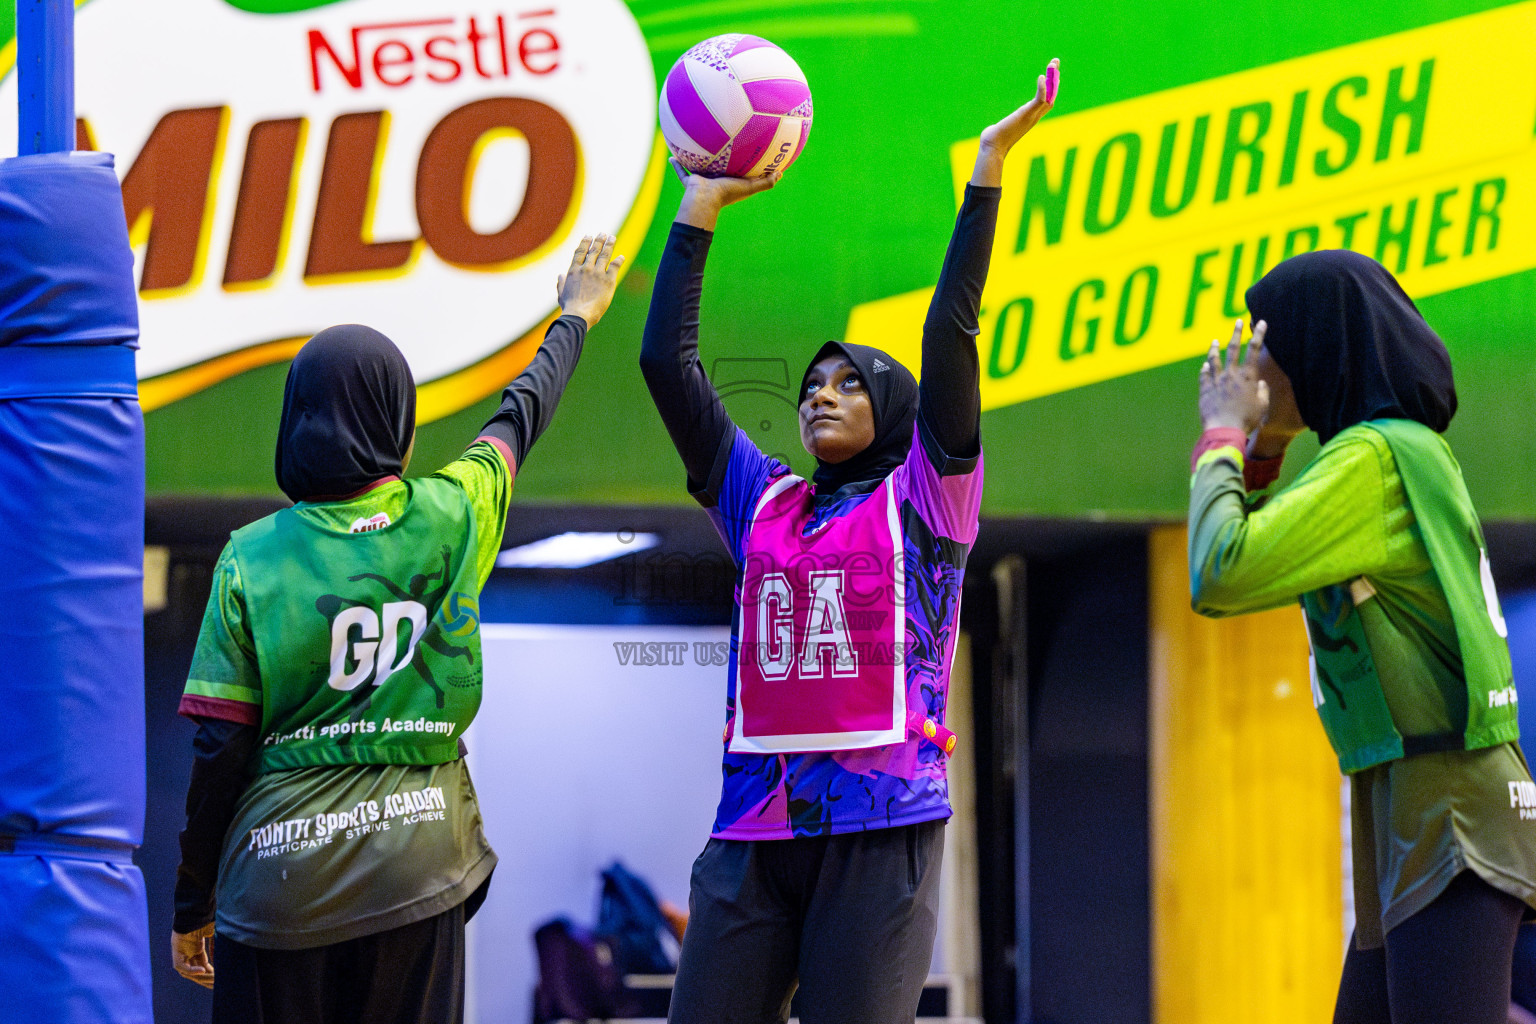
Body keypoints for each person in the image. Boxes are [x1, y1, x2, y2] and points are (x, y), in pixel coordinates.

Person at [639, 59, 1059, 1024]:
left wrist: (988, 169)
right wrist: (700, 205)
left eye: (850, 382)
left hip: (883, 827)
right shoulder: (763, 501)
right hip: (754, 825)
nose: (820, 393)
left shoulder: (928, 503)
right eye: (812, 384)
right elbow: (668, 362)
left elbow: (951, 329)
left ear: (897, 410)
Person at [169, 234, 627, 1024]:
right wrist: (576, 316)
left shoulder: (251, 559)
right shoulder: (452, 512)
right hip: (418, 873)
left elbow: (219, 751)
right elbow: (520, 415)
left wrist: (190, 902)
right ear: (400, 425)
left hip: (278, 889)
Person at [1189, 249, 1536, 1024]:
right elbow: (1249, 548)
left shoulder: (1374, 458)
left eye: (1265, 344)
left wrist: (1221, 432)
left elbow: (1220, 571)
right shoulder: (1387, 454)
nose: (1249, 367)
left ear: (1316, 345)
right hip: (1411, 804)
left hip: (1450, 807)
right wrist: (1267, 446)